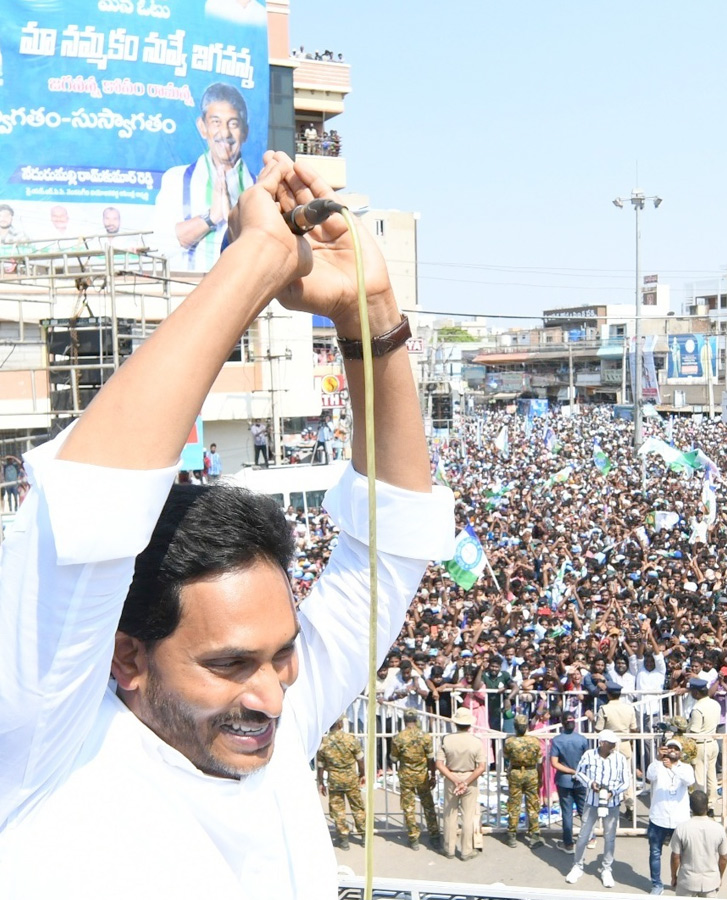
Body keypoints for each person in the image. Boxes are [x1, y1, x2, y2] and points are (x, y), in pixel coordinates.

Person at [0, 152, 452, 897]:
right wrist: (254, 263)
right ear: (126, 658)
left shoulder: (275, 712)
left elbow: (392, 542)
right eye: (230, 663)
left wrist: (369, 309)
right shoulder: (46, 741)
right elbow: (86, 508)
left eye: (282, 655)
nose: (272, 694)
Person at [154, 83, 256, 272]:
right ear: (202, 127)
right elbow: (161, 247)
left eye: (233, 124)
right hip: (187, 292)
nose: (225, 133)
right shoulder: (177, 179)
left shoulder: (259, 188)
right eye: (216, 122)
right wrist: (211, 217)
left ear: (245, 132)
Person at [565, 729, 631, 889]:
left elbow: (626, 781)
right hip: (591, 802)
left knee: (610, 837)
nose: (614, 745)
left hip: (612, 803)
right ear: (602, 743)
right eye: (611, 743)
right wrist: (590, 783)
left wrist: (612, 792)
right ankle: (577, 865)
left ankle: (606, 869)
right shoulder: (589, 755)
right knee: (583, 835)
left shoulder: (620, 759)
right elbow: (579, 774)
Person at [645, 736, 696, 895]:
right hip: (659, 817)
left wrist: (672, 768)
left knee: (683, 854)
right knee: (655, 852)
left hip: (679, 819)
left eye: (675, 749)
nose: (672, 751)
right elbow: (649, 776)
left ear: (680, 753)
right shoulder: (658, 765)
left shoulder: (685, 768)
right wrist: (658, 759)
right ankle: (657, 884)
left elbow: (689, 780)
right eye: (670, 748)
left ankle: (679, 881)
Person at [437, 707, 487, 860]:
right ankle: (466, 850)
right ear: (469, 724)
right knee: (468, 815)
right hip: (470, 779)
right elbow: (481, 767)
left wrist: (455, 780)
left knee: (450, 814)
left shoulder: (446, 739)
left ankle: (449, 848)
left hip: (451, 777)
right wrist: (465, 782)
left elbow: (439, 764)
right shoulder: (476, 742)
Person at [389, 709, 440, 851]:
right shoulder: (425, 737)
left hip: (406, 777)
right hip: (422, 776)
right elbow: (431, 759)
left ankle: (413, 838)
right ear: (416, 719)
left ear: (404, 720)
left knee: (408, 808)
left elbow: (393, 759)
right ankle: (434, 836)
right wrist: (433, 776)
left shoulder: (398, 738)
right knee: (428, 806)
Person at [315, 718, 366, 848]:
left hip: (334, 780)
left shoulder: (324, 743)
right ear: (340, 724)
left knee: (338, 810)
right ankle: (364, 835)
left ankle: (343, 839)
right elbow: (360, 760)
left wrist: (321, 782)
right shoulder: (350, 739)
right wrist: (362, 774)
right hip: (350, 779)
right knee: (357, 807)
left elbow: (320, 766)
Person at [669, 790, 727, 898]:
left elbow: (675, 856)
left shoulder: (682, 828)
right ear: (707, 807)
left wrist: (674, 876)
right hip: (710, 883)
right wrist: (719, 876)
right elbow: (724, 858)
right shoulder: (718, 829)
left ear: (690, 807)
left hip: (687, 881)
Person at [595, 683, 639, 817]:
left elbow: (598, 729)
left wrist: (592, 719)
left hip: (609, 745)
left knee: (607, 774)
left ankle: (606, 802)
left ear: (608, 694)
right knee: (626, 774)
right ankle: (629, 802)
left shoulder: (604, 709)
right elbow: (634, 728)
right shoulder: (629, 708)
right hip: (625, 743)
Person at [503, 713, 545, 848]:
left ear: (515, 727)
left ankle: (511, 835)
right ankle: (534, 836)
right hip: (531, 772)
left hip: (515, 772)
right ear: (526, 726)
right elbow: (539, 759)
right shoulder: (534, 741)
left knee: (514, 803)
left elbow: (506, 756)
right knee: (533, 804)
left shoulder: (509, 742)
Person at [550, 711, 589, 852]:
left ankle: (568, 843)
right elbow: (587, 761)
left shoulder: (557, 740)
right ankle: (589, 838)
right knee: (583, 810)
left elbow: (554, 763)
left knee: (567, 812)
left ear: (562, 723)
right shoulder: (582, 740)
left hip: (564, 780)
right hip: (581, 779)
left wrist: (570, 771)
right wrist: (578, 772)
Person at [687, 676, 721, 812]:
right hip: (713, 743)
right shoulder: (715, 704)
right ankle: (711, 804)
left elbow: (694, 731)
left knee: (699, 778)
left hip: (701, 745)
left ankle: (700, 806)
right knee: (711, 775)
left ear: (696, 692)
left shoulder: (697, 708)